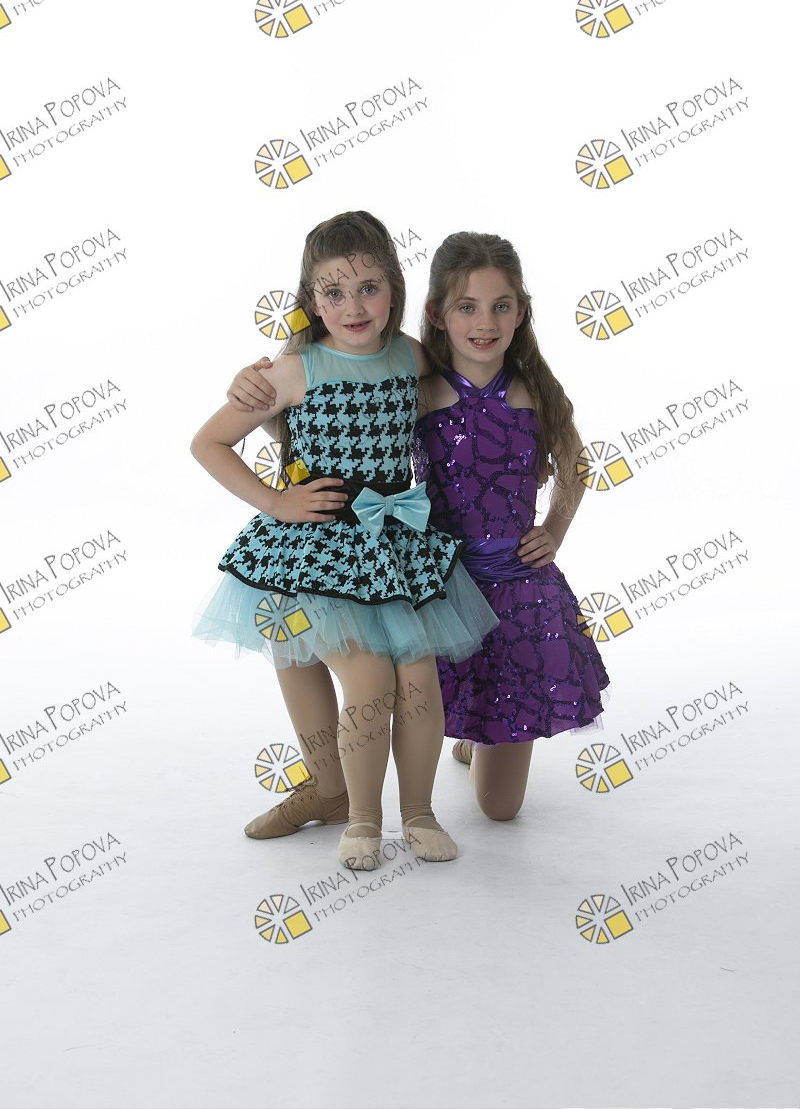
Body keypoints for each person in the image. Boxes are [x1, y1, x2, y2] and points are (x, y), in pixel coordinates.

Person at [227, 230, 609, 827]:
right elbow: (333, 416)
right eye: (466, 307)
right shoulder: (418, 382)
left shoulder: (530, 389)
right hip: (437, 577)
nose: (484, 323)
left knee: (500, 809)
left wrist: (556, 528)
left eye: (501, 306)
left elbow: (576, 462)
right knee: (361, 668)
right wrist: (259, 387)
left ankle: (475, 739)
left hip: (516, 586)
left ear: (521, 312)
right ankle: (345, 794)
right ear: (435, 313)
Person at [191, 211, 498, 870]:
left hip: (392, 541)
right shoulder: (294, 367)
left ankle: (419, 812)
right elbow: (208, 442)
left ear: (394, 289)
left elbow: (459, 389)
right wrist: (277, 500)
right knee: (368, 676)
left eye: (368, 288)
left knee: (418, 676)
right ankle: (360, 818)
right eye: (334, 292)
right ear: (311, 299)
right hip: (316, 546)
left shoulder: (410, 355)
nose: (353, 307)